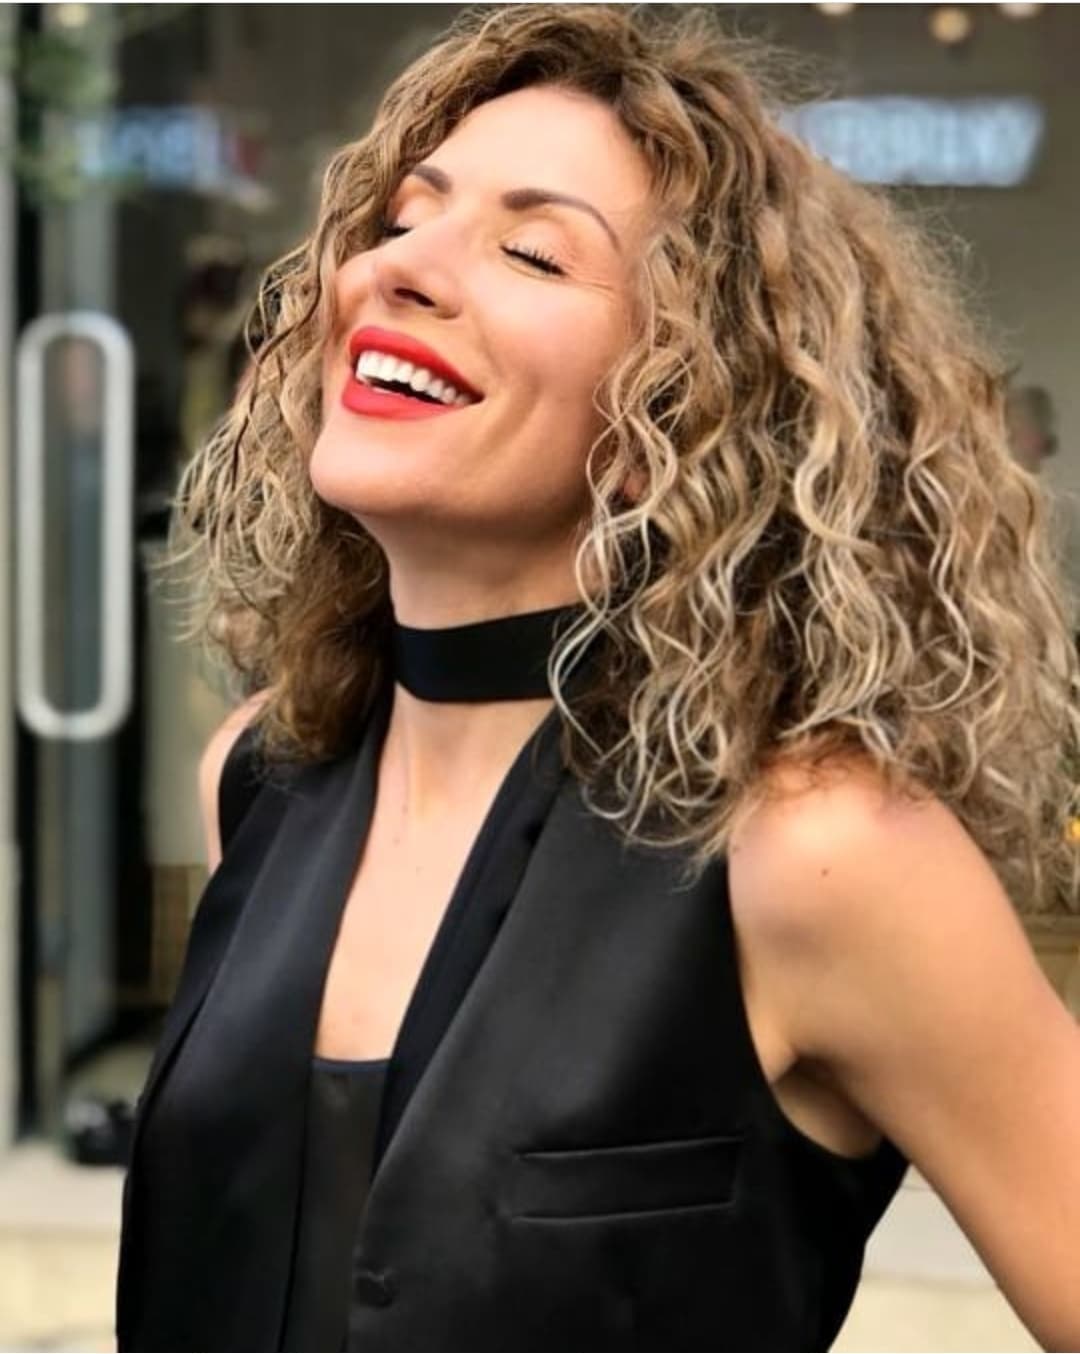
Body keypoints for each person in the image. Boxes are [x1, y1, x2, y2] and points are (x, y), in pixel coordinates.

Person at [117, 6, 1080, 1350]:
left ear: (673, 409)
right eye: (402, 218)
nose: (398, 269)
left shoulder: (817, 852)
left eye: (532, 250)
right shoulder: (257, 775)